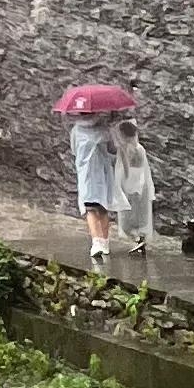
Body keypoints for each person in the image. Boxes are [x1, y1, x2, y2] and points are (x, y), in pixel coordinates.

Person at [70, 101, 153, 278]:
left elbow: (74, 149)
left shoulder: (76, 131)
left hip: (86, 174)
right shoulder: (104, 131)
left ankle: (97, 241)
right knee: (102, 208)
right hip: (103, 174)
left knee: (90, 209)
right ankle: (105, 242)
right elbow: (113, 150)